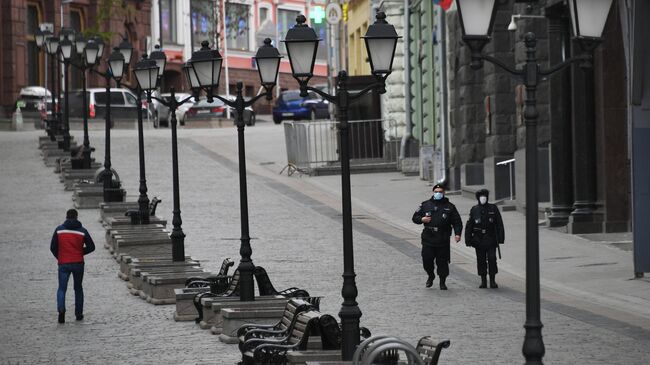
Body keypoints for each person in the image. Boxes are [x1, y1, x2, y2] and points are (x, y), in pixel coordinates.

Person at [412, 184, 463, 290]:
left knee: (442, 262)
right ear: (433, 192)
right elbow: (415, 217)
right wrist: (422, 219)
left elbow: (457, 222)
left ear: (444, 193)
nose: (438, 193)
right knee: (427, 260)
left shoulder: (450, 207)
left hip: (442, 238)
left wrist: (457, 234)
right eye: (436, 191)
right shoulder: (425, 205)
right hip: (428, 238)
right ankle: (431, 275)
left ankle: (442, 282)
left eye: (440, 192)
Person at [50, 209, 95, 323]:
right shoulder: (82, 231)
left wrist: (60, 257)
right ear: (76, 217)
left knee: (62, 288)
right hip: (78, 263)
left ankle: (61, 310)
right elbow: (91, 247)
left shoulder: (59, 230)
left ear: (66, 217)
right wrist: (80, 252)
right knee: (78, 288)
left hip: (63, 263)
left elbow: (53, 247)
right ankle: (78, 314)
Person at [465, 189, 505, 289]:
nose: (483, 198)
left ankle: (492, 280)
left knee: (492, 259)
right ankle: (483, 280)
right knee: (481, 260)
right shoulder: (474, 209)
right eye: (481, 196)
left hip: (491, 238)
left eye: (485, 196)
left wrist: (500, 238)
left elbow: (499, 224)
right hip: (479, 239)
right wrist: (468, 239)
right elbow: (469, 225)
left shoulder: (493, 208)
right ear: (478, 198)